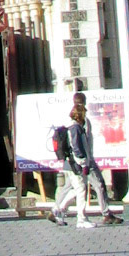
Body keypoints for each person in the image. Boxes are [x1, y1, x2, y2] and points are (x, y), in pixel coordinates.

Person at [51, 92, 119, 228]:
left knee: (72, 188)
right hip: (80, 162)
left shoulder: (73, 121)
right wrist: (84, 163)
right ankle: (88, 217)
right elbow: (79, 146)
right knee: (90, 186)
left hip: (72, 162)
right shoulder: (77, 125)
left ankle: (58, 209)